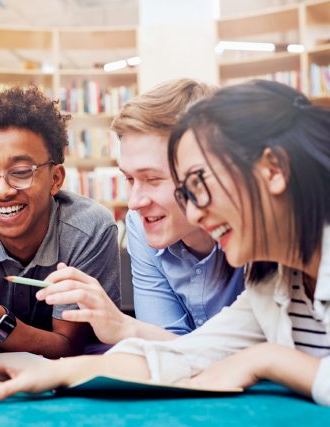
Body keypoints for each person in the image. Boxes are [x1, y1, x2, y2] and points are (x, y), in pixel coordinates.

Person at [0, 80, 330, 407]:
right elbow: (186, 355)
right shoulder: (271, 283)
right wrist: (52, 371)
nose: (195, 212)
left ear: (273, 170)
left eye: (199, 184)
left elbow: (238, 358)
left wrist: (268, 360)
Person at [35, 79, 244, 346]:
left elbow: (261, 353)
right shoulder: (140, 223)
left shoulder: (254, 235)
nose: (133, 203)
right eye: (130, 179)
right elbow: (168, 348)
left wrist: (125, 327)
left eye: (153, 179)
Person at [0, 86, 121, 358]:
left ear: (55, 179)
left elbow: (68, 347)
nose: (1, 191)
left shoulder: (89, 230)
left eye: (20, 172)